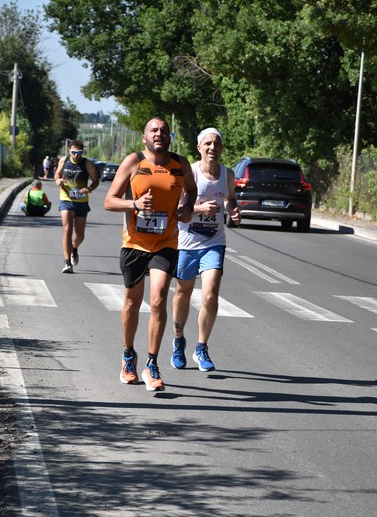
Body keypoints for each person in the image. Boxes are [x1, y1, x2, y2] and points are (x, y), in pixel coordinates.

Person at [104, 117, 197, 392]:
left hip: (166, 242)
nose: (159, 134)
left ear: (170, 137)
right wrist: (134, 203)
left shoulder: (180, 165)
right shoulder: (134, 162)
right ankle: (128, 356)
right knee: (132, 303)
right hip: (134, 244)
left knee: (158, 299)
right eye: (154, 130)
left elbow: (190, 190)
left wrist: (187, 207)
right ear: (144, 137)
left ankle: (152, 364)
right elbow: (109, 201)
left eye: (164, 131)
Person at [171, 127, 241, 372]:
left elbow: (230, 197)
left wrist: (233, 209)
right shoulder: (189, 173)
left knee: (210, 295)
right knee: (183, 294)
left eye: (217, 144)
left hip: (214, 242)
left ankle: (201, 348)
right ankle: (178, 340)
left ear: (222, 148)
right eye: (208, 143)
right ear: (199, 148)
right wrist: (199, 210)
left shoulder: (227, 174)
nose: (213, 148)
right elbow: (177, 210)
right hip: (187, 242)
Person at [54, 139, 99, 274]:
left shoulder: (87, 163)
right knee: (67, 229)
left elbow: (96, 181)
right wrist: (58, 180)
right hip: (66, 198)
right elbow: (56, 174)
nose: (76, 155)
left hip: (81, 201)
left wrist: (89, 188)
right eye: (73, 152)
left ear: (82, 152)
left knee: (80, 234)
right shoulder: (64, 160)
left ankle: (74, 248)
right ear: (69, 151)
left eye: (79, 152)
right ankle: (68, 262)